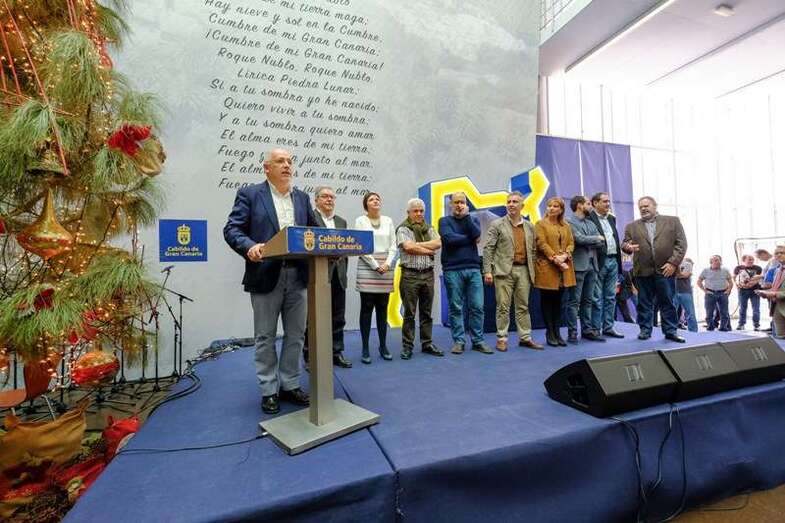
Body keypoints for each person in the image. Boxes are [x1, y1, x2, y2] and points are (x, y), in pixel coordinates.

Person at [223, 148, 319, 415]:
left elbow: (313, 232)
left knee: (296, 334)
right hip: (265, 274)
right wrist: (250, 246)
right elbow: (232, 229)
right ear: (267, 168)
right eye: (280, 161)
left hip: (298, 276)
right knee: (265, 336)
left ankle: (289, 384)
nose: (287, 165)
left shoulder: (302, 198)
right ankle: (268, 390)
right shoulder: (251, 195)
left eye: (289, 161)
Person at [621, 196, 687, 342]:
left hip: (666, 270)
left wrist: (673, 263)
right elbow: (625, 245)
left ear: (655, 206)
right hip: (642, 271)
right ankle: (645, 330)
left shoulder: (672, 221)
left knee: (668, 302)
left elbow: (681, 244)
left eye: (646, 206)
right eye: (641, 207)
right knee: (643, 303)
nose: (643, 209)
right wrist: (627, 247)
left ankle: (670, 331)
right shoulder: (631, 226)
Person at [483, 191, 543, 351]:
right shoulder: (497, 224)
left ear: (522, 206)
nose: (511, 204)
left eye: (515, 201)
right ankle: (502, 338)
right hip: (503, 272)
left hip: (524, 270)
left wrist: (534, 271)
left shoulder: (530, 226)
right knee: (503, 307)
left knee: (523, 306)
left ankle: (525, 338)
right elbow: (488, 248)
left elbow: (533, 250)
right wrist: (487, 271)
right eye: (509, 201)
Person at [303, 186, 351, 368]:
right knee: (311, 318)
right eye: (325, 197)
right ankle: (309, 355)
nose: (329, 200)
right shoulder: (309, 218)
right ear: (316, 200)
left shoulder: (341, 222)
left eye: (332, 197)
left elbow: (347, 248)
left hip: (338, 275)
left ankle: (336, 352)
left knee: (338, 317)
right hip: (317, 276)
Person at [439, 193, 492, 355]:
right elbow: (449, 239)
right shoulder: (444, 221)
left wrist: (467, 217)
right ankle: (459, 341)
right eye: (456, 202)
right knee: (456, 307)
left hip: (474, 268)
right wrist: (469, 239)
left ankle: (478, 341)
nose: (459, 205)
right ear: (450, 205)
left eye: (462, 202)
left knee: (477, 307)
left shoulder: (472, 219)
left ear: (466, 204)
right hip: (452, 269)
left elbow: (476, 235)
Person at [396, 198, 443, 360]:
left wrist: (417, 246)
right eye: (415, 211)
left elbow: (438, 243)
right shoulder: (403, 228)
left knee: (426, 312)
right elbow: (408, 247)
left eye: (421, 211)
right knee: (410, 313)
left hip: (428, 274)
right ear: (408, 212)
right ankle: (407, 346)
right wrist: (426, 250)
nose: (419, 214)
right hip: (410, 275)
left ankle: (427, 343)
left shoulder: (429, 228)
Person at [354, 192, 396, 364]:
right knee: (366, 307)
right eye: (371, 199)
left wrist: (387, 263)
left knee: (383, 308)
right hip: (367, 265)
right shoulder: (360, 221)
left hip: (386, 267)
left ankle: (383, 345)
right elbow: (361, 245)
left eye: (378, 198)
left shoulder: (388, 220)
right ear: (366, 205)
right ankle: (365, 347)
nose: (376, 200)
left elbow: (393, 245)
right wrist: (375, 265)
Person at [535, 197, 576, 347]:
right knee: (547, 301)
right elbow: (541, 243)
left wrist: (565, 254)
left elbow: (571, 243)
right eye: (549, 206)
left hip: (564, 268)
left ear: (561, 210)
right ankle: (550, 333)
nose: (551, 208)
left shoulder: (566, 225)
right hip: (548, 267)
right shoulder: (540, 224)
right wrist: (555, 258)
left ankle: (558, 333)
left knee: (559, 303)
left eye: (555, 206)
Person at [566, 196, 605, 343]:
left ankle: (587, 330)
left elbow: (602, 244)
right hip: (578, 266)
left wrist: (594, 240)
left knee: (588, 300)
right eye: (588, 204)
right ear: (579, 205)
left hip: (592, 265)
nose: (591, 206)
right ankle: (572, 332)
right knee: (574, 301)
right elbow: (578, 239)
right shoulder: (569, 222)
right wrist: (596, 238)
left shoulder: (590, 223)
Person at [587, 192, 625, 339]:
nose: (608, 204)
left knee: (610, 297)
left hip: (613, 261)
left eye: (608, 202)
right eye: (604, 202)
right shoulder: (589, 218)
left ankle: (608, 327)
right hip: (598, 262)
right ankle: (595, 329)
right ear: (595, 203)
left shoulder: (611, 218)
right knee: (596, 298)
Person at [697, 255, 734, 331]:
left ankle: (723, 327)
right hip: (710, 294)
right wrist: (704, 290)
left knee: (724, 312)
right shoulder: (706, 270)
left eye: (719, 260)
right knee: (709, 312)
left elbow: (730, 282)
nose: (718, 262)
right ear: (711, 262)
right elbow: (699, 281)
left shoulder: (725, 270)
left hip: (723, 293)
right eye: (716, 260)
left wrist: (728, 290)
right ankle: (710, 326)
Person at [755, 246, 785, 339]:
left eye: (782, 252)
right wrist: (765, 293)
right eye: (776, 253)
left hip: (781, 301)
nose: (779, 255)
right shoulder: (777, 269)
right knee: (780, 337)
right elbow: (776, 287)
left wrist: (774, 294)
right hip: (776, 306)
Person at [734, 254, 763, 331]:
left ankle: (756, 325)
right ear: (744, 260)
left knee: (756, 308)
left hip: (755, 291)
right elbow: (734, 277)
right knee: (742, 308)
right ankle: (741, 324)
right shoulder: (738, 268)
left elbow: (760, 278)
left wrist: (752, 284)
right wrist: (738, 286)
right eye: (749, 259)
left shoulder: (758, 268)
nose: (751, 261)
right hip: (742, 291)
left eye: (752, 259)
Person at [674, 257, 698, 332]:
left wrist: (674, 273)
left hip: (685, 292)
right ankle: (671, 330)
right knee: (671, 312)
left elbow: (685, 275)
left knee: (690, 313)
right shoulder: (672, 264)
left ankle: (693, 332)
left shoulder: (687, 264)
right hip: (673, 292)